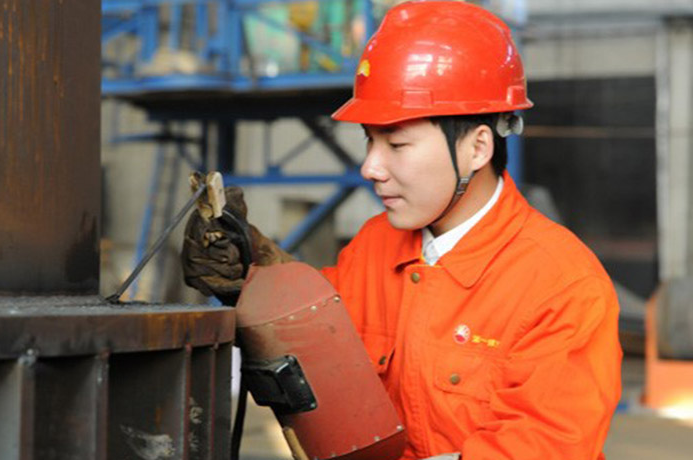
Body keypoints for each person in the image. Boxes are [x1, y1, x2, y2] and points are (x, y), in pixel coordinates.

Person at [182, 2, 622, 459]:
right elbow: (320, 337)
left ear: (477, 148)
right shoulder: (374, 246)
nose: (371, 167)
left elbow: (543, 445)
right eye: (370, 141)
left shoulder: (561, 285)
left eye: (396, 143)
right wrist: (253, 275)